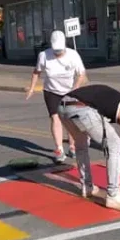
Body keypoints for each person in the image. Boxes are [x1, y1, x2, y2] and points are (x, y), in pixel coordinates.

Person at [57, 84, 120, 209]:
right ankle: (114, 194)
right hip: (82, 108)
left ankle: (87, 186)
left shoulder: (113, 100)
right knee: (116, 146)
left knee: (81, 144)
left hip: (63, 106)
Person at [26, 30, 87, 163]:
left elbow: (81, 74)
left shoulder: (73, 55)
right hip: (51, 91)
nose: (58, 53)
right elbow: (36, 72)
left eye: (60, 50)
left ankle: (72, 146)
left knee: (69, 119)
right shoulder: (44, 56)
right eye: (55, 51)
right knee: (56, 119)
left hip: (69, 91)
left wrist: (75, 88)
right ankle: (59, 149)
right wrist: (31, 88)